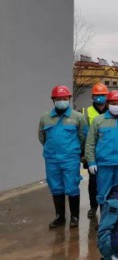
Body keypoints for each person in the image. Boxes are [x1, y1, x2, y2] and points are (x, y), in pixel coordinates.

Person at [39, 85, 87, 228]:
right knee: (56, 187)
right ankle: (60, 217)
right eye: (58, 99)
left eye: (64, 98)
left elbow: (83, 136)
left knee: (72, 187)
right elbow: (42, 137)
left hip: (70, 158)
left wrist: (76, 151)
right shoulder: (45, 117)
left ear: (69, 99)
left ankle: (74, 217)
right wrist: (52, 149)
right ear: (53, 100)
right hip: (52, 159)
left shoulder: (78, 117)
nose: (62, 101)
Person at [85, 90, 118, 208]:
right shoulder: (98, 120)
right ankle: (104, 217)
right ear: (108, 104)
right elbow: (90, 142)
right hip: (104, 164)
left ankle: (117, 218)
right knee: (103, 194)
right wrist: (91, 161)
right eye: (113, 103)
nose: (116, 106)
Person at [81, 82, 109, 219]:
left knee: (107, 182)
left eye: (103, 95)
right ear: (92, 96)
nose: (100, 97)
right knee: (93, 183)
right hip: (92, 152)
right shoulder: (86, 112)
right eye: (98, 95)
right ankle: (93, 206)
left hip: (106, 152)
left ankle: (107, 207)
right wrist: (85, 155)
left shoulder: (111, 111)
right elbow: (83, 134)